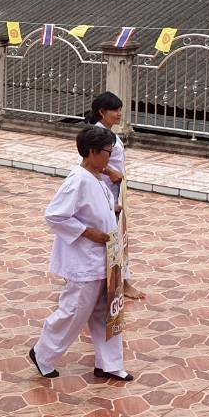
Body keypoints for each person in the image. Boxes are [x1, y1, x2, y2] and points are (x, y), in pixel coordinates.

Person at [28, 124, 132, 382]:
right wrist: (88, 232)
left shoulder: (96, 178)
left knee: (106, 312)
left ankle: (109, 364)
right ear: (93, 152)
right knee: (75, 311)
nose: (110, 158)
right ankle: (43, 353)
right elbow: (55, 215)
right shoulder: (78, 179)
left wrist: (115, 210)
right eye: (108, 152)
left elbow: (98, 208)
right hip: (85, 261)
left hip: (105, 259)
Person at [85, 93, 145, 301]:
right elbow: (86, 161)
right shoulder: (96, 135)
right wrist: (110, 173)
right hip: (104, 192)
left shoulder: (109, 133)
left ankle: (116, 281)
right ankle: (121, 282)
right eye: (115, 110)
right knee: (112, 237)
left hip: (114, 192)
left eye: (120, 109)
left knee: (116, 236)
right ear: (102, 112)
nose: (119, 114)